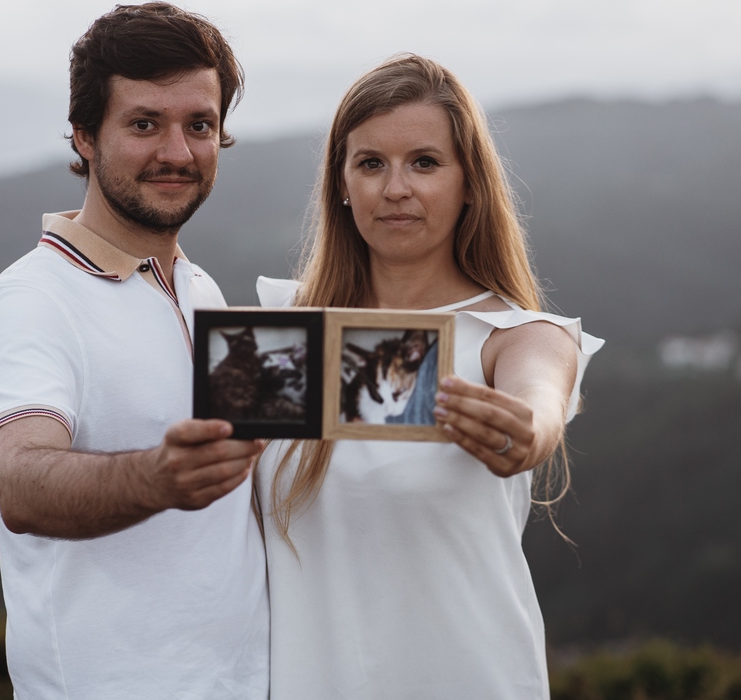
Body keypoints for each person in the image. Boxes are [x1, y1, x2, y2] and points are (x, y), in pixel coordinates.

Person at [255, 54, 604, 699]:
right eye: (370, 164)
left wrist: (523, 431)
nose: (395, 189)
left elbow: (537, 408)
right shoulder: (283, 330)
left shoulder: (516, 336)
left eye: (424, 162)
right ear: (340, 183)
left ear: (469, 182)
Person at [0, 2, 268, 698]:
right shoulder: (33, 299)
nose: (176, 151)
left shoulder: (201, 289)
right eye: (143, 124)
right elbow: (20, 481)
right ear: (84, 139)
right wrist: (156, 477)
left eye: (199, 125)